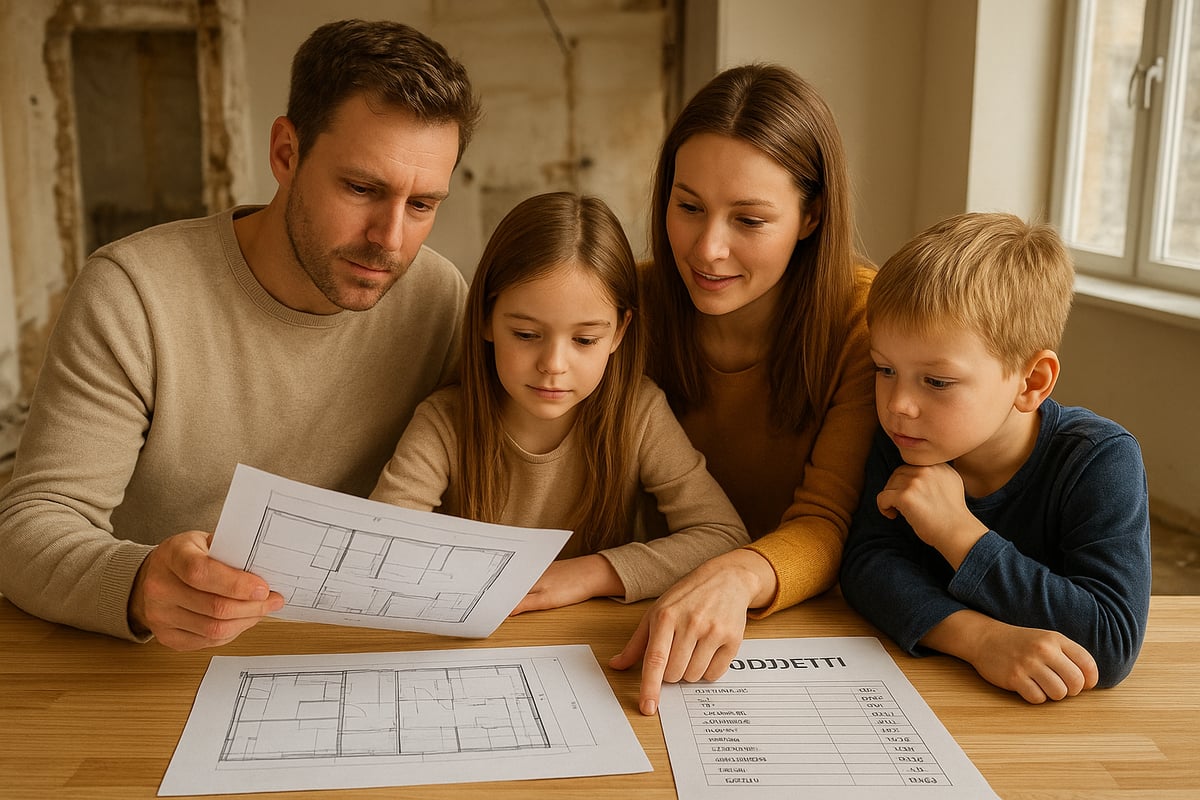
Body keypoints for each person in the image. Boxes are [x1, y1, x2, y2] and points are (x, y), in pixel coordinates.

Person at [0, 19, 482, 650]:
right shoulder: (133, 292)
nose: (391, 240)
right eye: (362, 188)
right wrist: (138, 582)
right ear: (286, 153)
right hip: (153, 662)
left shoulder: (440, 298)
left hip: (341, 654)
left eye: (422, 205)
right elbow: (29, 526)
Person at [608, 64, 878, 714]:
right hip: (639, 608)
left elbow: (826, 519)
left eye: (749, 220)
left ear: (811, 216)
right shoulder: (626, 302)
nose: (708, 249)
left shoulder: (864, 317)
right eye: (688, 206)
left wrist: (733, 574)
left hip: (806, 624)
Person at [370, 191, 749, 611]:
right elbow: (382, 547)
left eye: (585, 340)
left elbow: (723, 536)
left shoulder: (639, 412)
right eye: (527, 335)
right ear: (485, 319)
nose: (553, 365)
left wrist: (590, 575)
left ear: (619, 333)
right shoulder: (444, 422)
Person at [839, 212, 1151, 703]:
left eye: (937, 381)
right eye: (884, 369)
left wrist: (958, 533)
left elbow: (1109, 642)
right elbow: (868, 564)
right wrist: (980, 640)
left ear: (1031, 382)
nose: (897, 403)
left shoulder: (1100, 460)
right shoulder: (905, 437)